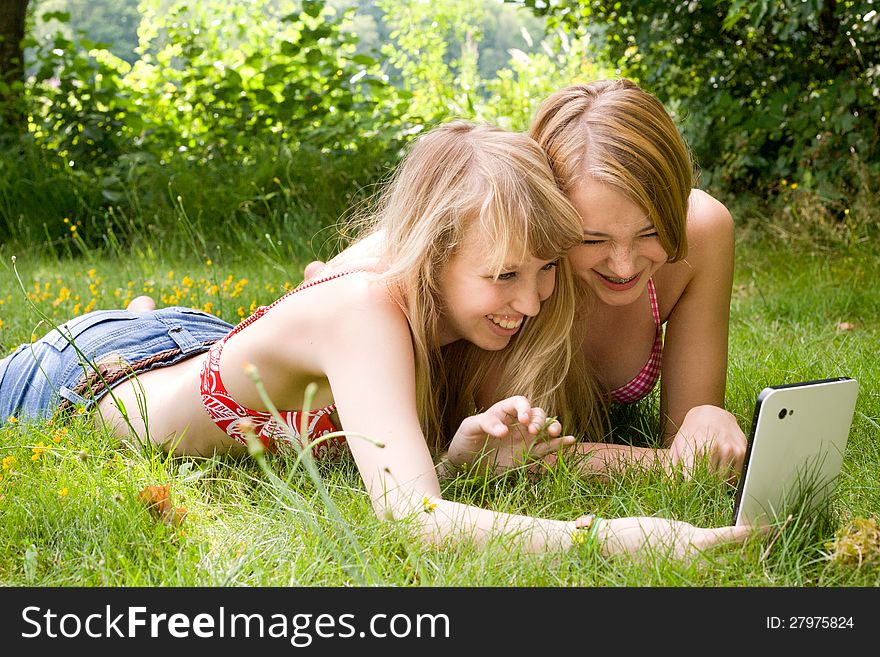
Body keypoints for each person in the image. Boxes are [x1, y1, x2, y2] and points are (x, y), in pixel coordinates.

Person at [0, 120, 753, 559]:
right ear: (432, 250)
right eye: (504, 276)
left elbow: (413, 472)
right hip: (80, 379)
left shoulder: (434, 307)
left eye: (548, 269)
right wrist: (637, 535)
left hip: (192, 339)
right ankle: (123, 319)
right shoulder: (365, 313)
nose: (531, 300)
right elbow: (415, 521)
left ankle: (142, 313)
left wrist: (459, 458)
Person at [525, 79, 748, 480]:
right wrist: (668, 465)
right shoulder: (517, 252)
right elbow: (505, 456)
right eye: (592, 239)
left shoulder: (702, 230)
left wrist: (708, 417)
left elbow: (685, 437)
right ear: (548, 216)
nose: (625, 267)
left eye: (650, 233)